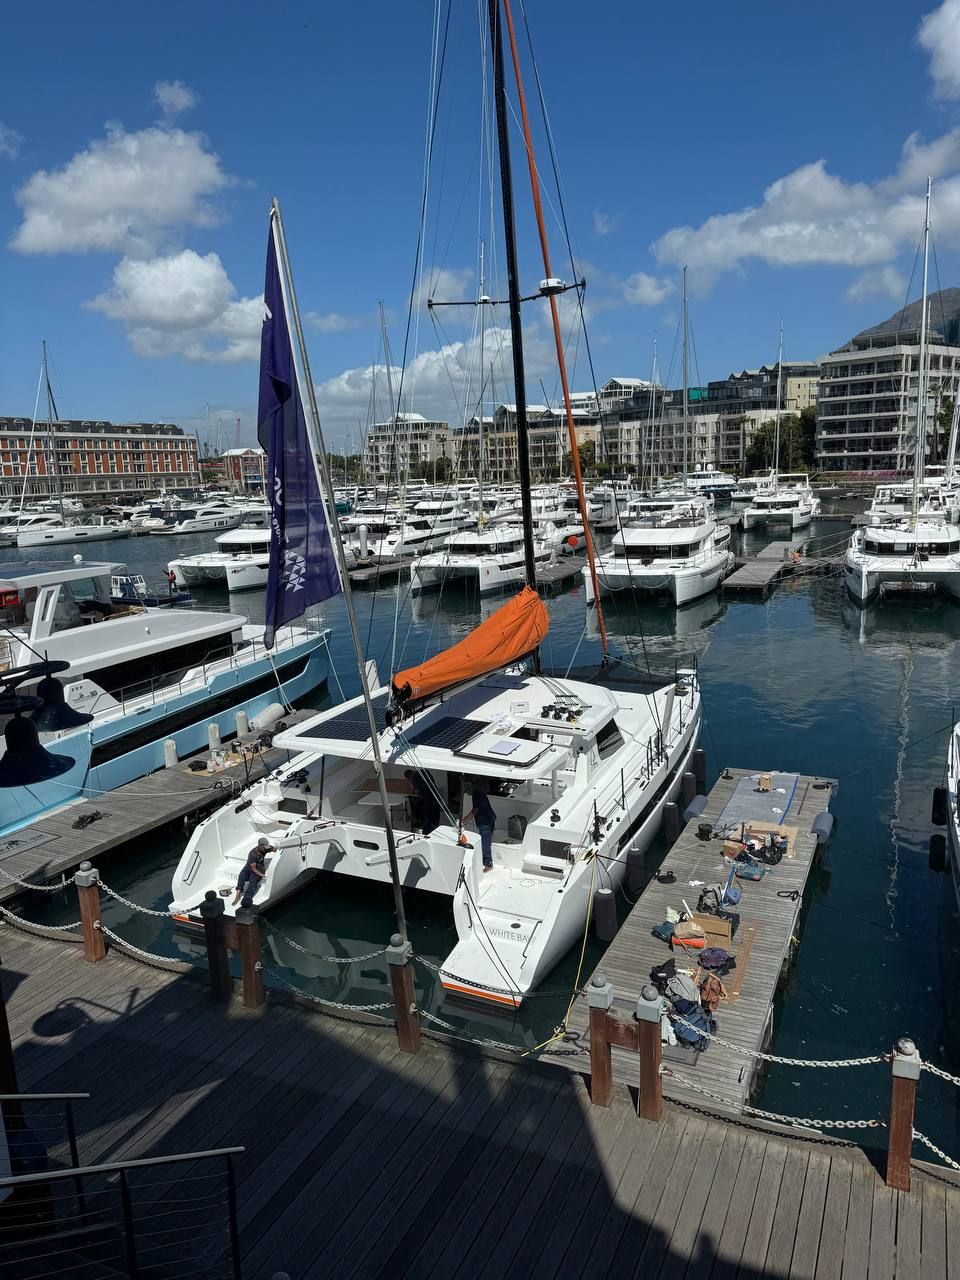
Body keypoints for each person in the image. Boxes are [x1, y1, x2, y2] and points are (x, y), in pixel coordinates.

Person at [463, 781, 497, 871]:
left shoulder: (476, 794)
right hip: (487, 819)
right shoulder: (478, 793)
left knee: (485, 843)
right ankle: (485, 860)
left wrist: (465, 820)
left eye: (467, 791)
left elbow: (474, 810)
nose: (467, 793)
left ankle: (489, 864)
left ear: (470, 789)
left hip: (485, 822)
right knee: (484, 842)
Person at [233, 837, 274, 905]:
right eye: (264, 847)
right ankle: (238, 894)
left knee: (253, 882)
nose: (265, 848)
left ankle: (246, 898)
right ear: (259, 846)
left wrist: (275, 849)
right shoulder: (252, 854)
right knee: (242, 875)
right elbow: (253, 869)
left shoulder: (266, 848)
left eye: (266, 846)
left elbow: (275, 849)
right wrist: (263, 876)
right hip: (250, 867)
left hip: (260, 868)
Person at [403, 769, 440, 835]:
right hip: (436, 796)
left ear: (409, 776)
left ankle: (426, 833)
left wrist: (412, 784)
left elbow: (417, 791)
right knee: (435, 815)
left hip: (428, 799)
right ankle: (435, 830)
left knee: (427, 817)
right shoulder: (424, 771)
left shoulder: (415, 779)